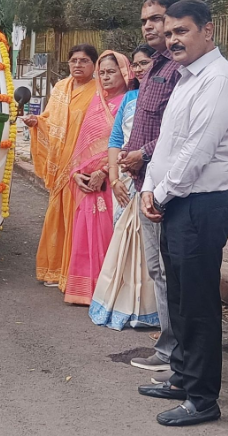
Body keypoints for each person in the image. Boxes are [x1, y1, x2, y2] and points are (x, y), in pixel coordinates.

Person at [138, 0, 228, 427]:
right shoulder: (186, 78)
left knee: (198, 304)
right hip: (175, 201)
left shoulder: (218, 81)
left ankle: (203, 399)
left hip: (200, 204)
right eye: (169, 33)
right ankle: (182, 376)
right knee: (179, 297)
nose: (173, 39)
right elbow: (167, 142)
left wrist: (160, 194)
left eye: (182, 31)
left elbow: (197, 151)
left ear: (208, 31)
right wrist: (150, 187)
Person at [118, 0, 182, 373]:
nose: (149, 27)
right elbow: (143, 119)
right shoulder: (155, 66)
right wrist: (130, 154)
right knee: (158, 269)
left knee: (167, 270)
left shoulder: (178, 68)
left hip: (168, 184)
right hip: (145, 181)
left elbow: (179, 131)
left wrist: (143, 153)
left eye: (156, 19)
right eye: (145, 21)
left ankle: (174, 350)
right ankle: (170, 345)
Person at [90, 44, 160, 330]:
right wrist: (116, 179)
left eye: (145, 63)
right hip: (126, 181)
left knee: (148, 249)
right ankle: (121, 305)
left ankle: (152, 309)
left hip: (153, 177)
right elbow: (116, 139)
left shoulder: (168, 98)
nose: (141, 69)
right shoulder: (130, 98)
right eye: (137, 64)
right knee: (124, 243)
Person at [24, 44, 98, 290]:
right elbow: (49, 121)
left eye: (84, 60)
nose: (78, 65)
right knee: (57, 216)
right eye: (74, 60)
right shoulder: (59, 89)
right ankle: (53, 270)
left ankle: (73, 274)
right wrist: (36, 122)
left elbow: (100, 129)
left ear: (94, 65)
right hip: (60, 165)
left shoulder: (99, 91)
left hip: (82, 165)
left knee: (79, 219)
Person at [63, 51, 131, 305]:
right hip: (86, 182)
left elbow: (127, 142)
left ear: (125, 73)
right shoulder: (96, 101)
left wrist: (104, 171)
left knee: (107, 236)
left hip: (112, 180)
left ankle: (105, 292)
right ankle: (83, 291)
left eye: (111, 71)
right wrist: (76, 173)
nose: (105, 76)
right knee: (84, 234)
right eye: (102, 72)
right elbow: (82, 144)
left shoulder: (129, 102)